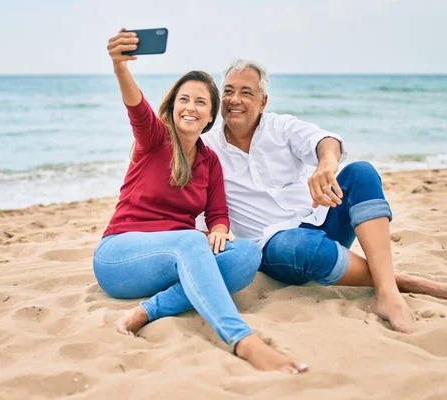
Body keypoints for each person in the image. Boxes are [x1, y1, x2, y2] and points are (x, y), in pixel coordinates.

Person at [199, 59, 447, 333]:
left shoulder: (280, 127)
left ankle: (387, 293)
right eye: (228, 91)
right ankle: (401, 281)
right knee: (299, 244)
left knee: (362, 172)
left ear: (263, 101)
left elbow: (323, 139)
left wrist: (326, 162)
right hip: (273, 246)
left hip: (319, 221)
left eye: (246, 92)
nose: (235, 100)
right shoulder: (207, 147)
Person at [92, 31, 308, 373]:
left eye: (201, 102)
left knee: (248, 254)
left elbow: (218, 214)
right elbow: (135, 105)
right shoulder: (154, 139)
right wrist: (120, 68)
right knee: (193, 239)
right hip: (119, 258)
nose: (190, 107)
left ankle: (149, 310)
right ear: (173, 106)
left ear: (211, 117)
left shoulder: (209, 162)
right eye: (184, 99)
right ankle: (244, 341)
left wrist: (220, 230)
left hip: (172, 260)